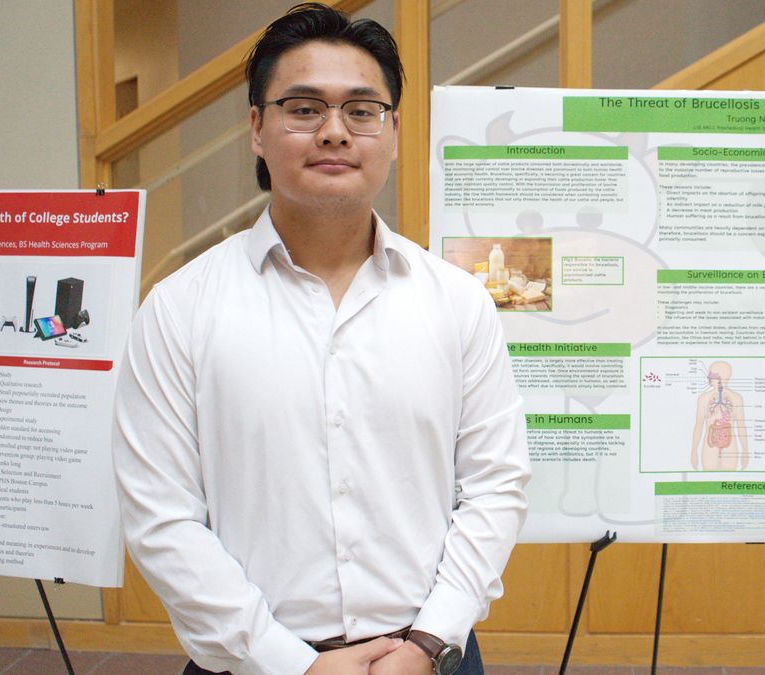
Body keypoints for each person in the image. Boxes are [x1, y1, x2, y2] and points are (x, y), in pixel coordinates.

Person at [111, 4, 530, 674]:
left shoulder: (456, 303)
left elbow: (495, 483)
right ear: (256, 128)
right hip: (251, 661)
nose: (334, 132)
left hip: (427, 655)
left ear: (393, 131)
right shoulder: (180, 309)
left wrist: (427, 641)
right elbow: (163, 518)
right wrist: (292, 662)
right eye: (303, 108)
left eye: (362, 110)